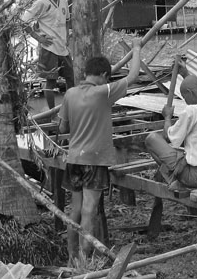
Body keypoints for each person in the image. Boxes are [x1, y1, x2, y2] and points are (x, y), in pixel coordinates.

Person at [59, 39, 141, 263]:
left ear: (85, 73)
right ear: (105, 76)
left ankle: (71, 256)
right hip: (94, 160)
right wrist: (136, 49)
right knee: (89, 211)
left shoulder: (70, 94)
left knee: (74, 210)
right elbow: (133, 76)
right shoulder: (104, 92)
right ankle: (84, 261)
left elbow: (63, 127)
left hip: (74, 158)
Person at [144, 74, 197, 191]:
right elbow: (196, 86)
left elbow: (168, 137)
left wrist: (167, 117)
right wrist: (184, 72)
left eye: (185, 98)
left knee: (151, 139)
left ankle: (174, 179)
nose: (186, 102)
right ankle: (177, 178)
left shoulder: (192, 111)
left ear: (189, 93)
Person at [22, 0, 74, 109]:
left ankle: (70, 108)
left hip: (63, 46)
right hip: (49, 48)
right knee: (51, 81)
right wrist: (37, 37)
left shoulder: (63, 0)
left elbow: (67, 20)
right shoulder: (42, 3)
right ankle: (51, 111)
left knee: (71, 78)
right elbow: (23, 21)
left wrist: (67, 35)